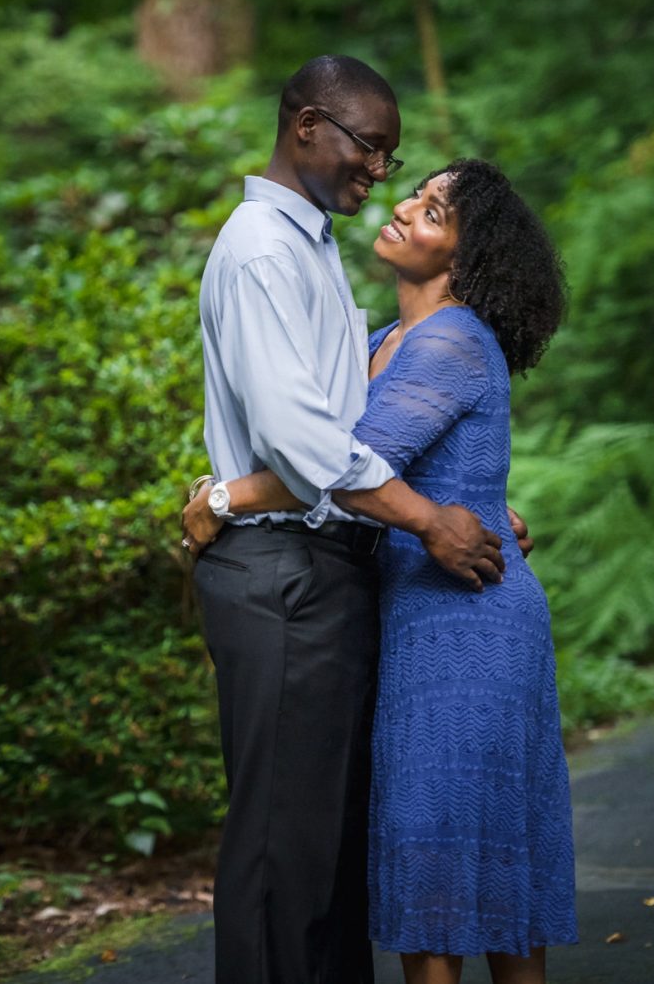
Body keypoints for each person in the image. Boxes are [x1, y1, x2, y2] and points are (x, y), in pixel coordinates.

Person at [186, 158, 577, 984]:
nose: (403, 207)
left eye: (434, 210)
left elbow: (348, 464)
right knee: (428, 867)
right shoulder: (381, 343)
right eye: (416, 192)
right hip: (418, 617)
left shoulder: (449, 340)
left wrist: (222, 497)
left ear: (465, 261)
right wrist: (468, 503)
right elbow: (363, 467)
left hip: (466, 627)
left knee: (458, 872)